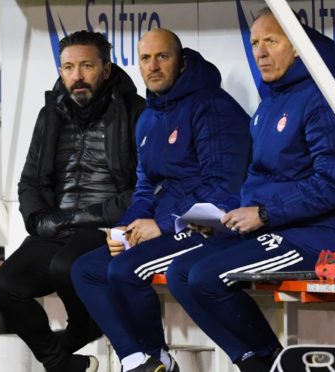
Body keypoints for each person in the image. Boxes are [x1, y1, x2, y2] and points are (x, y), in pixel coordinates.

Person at [164, 8, 335, 372]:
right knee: (181, 273)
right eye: (255, 43)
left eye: (271, 42)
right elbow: (261, 179)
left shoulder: (328, 96)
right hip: (276, 226)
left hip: (319, 237)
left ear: (297, 48)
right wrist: (223, 216)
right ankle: (258, 362)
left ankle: (273, 364)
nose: (260, 52)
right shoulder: (272, 99)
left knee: (205, 277)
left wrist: (263, 214)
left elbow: (334, 183)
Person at [70, 28, 251, 372]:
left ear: (181, 62)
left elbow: (224, 191)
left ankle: (159, 358)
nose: (152, 66)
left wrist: (163, 226)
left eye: (162, 57)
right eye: (145, 58)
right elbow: (144, 187)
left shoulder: (212, 107)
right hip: (165, 229)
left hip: (209, 229)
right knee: (87, 269)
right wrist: (126, 228)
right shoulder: (150, 117)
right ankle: (136, 360)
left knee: (125, 269)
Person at [0, 31, 145, 372]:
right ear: (60, 71)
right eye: (68, 67)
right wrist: (37, 219)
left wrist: (85, 218)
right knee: (3, 286)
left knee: (66, 266)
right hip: (57, 228)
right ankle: (62, 363)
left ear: (105, 69)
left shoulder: (135, 112)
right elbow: (29, 182)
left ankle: (84, 326)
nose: (77, 76)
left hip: (104, 227)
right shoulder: (50, 115)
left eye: (86, 66)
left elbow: (143, 187)